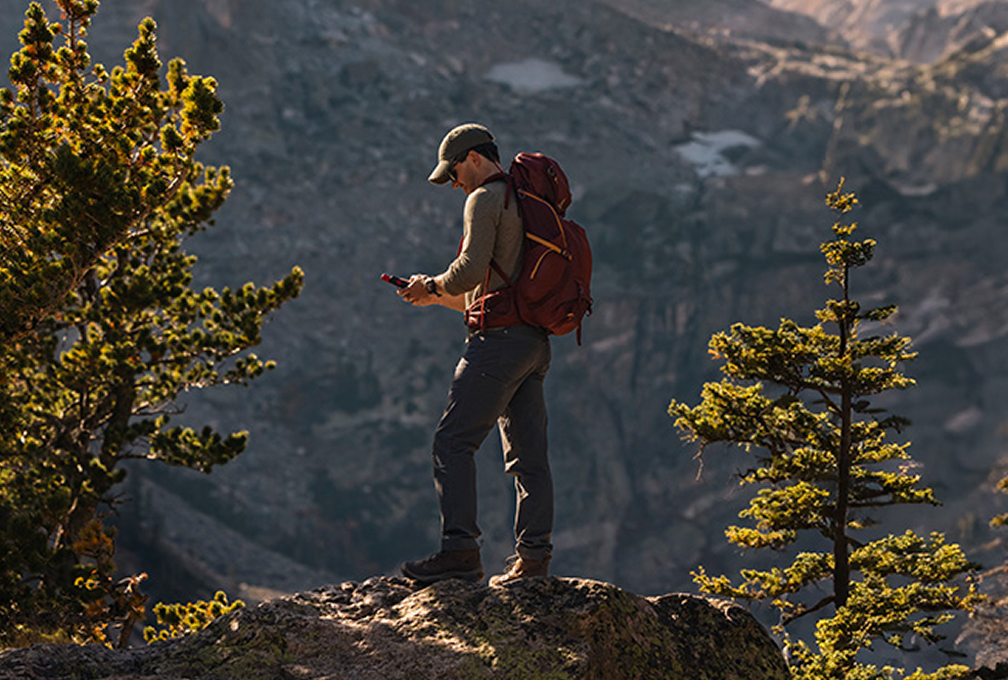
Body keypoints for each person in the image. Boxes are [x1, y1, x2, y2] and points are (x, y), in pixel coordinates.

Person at [397, 123, 553, 587]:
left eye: (454, 173)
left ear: (473, 158)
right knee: (530, 458)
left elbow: (468, 271)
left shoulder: (484, 199)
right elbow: (493, 286)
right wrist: (434, 297)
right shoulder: (524, 202)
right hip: (532, 344)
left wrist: (434, 283)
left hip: (497, 346)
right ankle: (534, 560)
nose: (453, 183)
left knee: (452, 443)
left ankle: (460, 552)